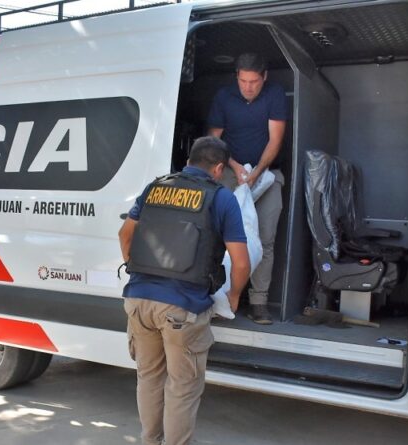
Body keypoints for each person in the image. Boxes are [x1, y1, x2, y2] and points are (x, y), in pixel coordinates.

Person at [118, 136, 251, 445]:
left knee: (149, 377)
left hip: (138, 299)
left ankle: (150, 440)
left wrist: (138, 271)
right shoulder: (221, 198)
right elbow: (241, 263)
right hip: (182, 306)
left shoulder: (154, 188)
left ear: (189, 160)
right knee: (182, 386)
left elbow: (125, 235)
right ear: (218, 168)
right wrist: (233, 295)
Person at [207, 52, 288, 325]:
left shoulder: (275, 95)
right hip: (230, 172)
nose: (248, 87)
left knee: (265, 238)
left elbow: (275, 140)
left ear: (264, 77)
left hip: (267, 174)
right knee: (222, 235)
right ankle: (219, 297)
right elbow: (213, 140)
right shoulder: (224, 96)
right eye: (243, 81)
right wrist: (234, 165)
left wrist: (257, 172)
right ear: (237, 77)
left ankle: (259, 302)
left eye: (254, 81)